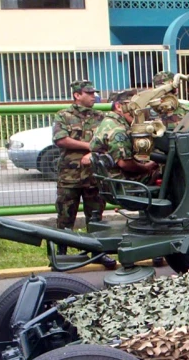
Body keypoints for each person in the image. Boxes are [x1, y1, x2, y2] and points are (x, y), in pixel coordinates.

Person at [52, 79, 116, 268]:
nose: (93, 96)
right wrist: (90, 146)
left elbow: (108, 140)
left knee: (95, 216)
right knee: (65, 216)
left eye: (93, 93)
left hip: (94, 176)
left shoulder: (101, 117)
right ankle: (61, 254)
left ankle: (98, 252)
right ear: (77, 95)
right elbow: (61, 139)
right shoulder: (64, 115)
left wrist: (95, 150)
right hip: (69, 176)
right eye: (88, 93)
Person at [90, 89, 159, 183]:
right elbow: (124, 163)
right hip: (123, 182)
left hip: (111, 180)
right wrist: (146, 167)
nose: (138, 112)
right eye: (133, 107)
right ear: (119, 106)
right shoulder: (118, 130)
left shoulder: (108, 122)